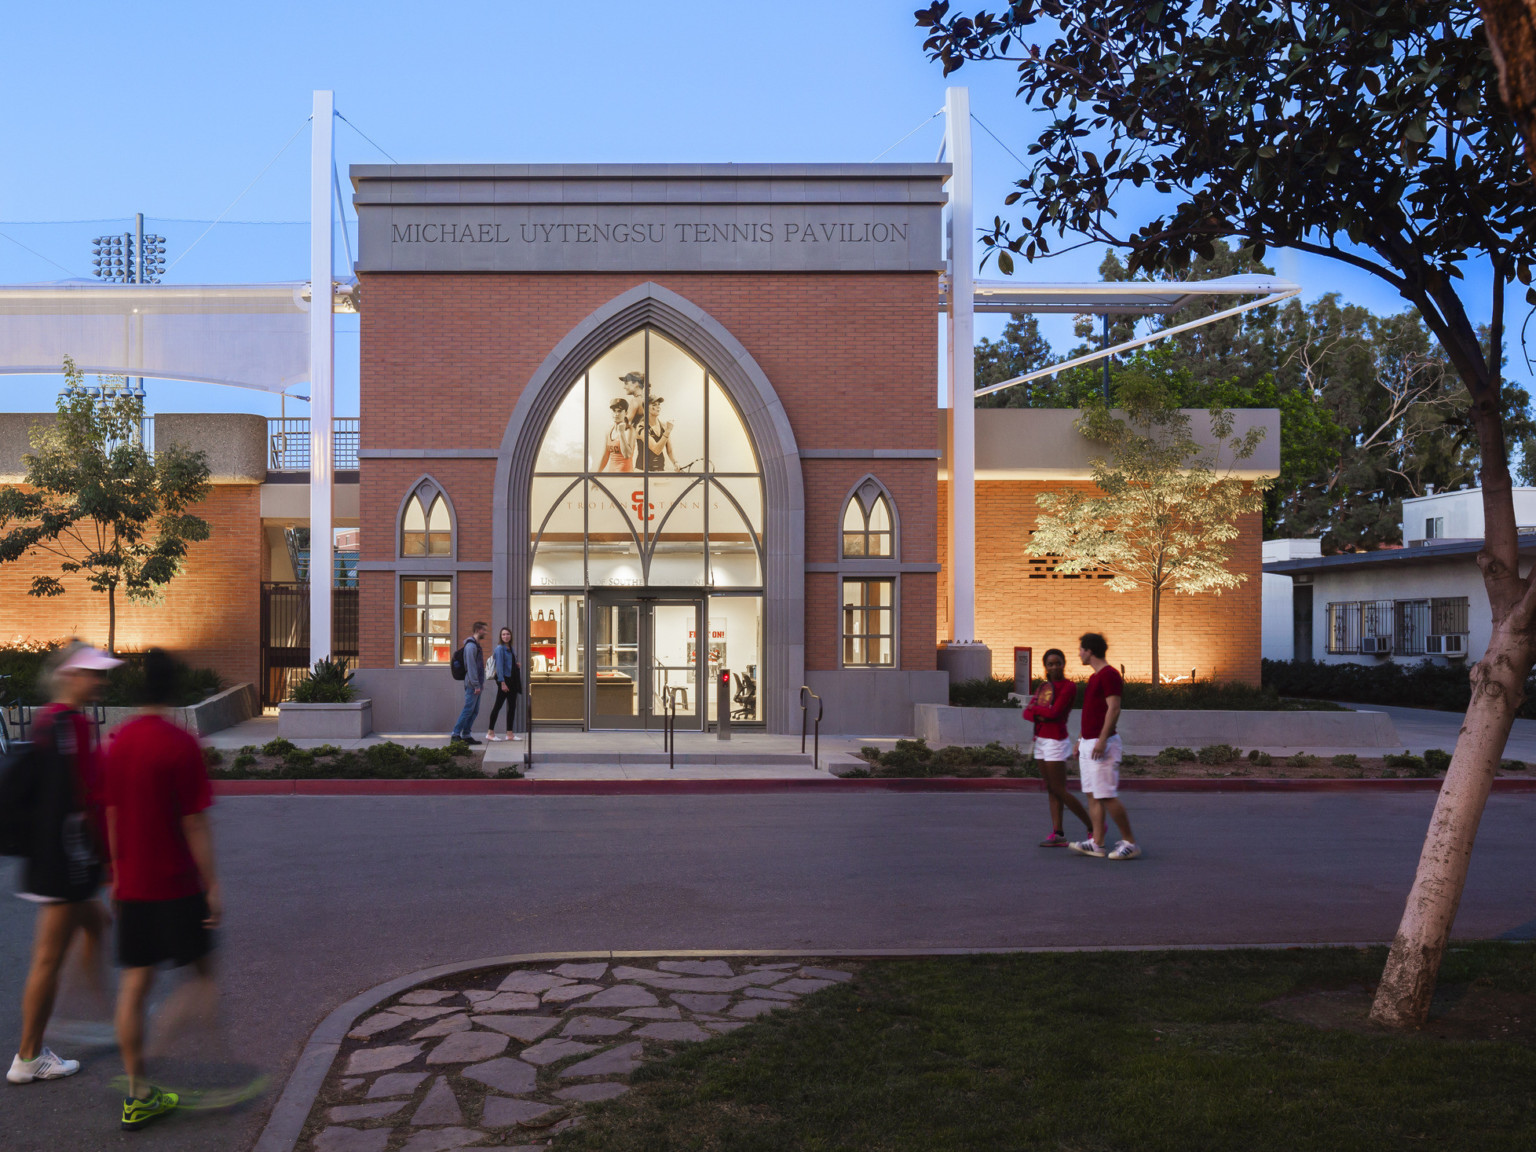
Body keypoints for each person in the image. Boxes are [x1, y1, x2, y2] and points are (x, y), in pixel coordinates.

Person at [103, 647, 219, 1130]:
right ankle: (163, 1050)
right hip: (175, 884)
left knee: (134, 984)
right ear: (175, 691)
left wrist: (116, 875)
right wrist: (212, 885)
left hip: (132, 885)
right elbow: (193, 823)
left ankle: (137, 1088)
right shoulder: (180, 744)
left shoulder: (117, 742)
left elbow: (110, 814)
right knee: (203, 978)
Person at [6, 643, 118, 1086]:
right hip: (63, 861)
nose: (101, 681)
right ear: (72, 676)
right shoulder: (66, 725)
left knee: (96, 924)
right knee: (48, 960)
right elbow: (73, 800)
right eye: (94, 673)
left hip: (62, 858)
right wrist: (93, 859)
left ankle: (97, 1012)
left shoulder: (58, 720)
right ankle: (28, 1056)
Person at [1069, 632, 1141, 860]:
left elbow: (1114, 708)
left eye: (1081, 649)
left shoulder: (1109, 675)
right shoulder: (1094, 678)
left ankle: (1130, 842)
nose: (1079, 653)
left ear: (1089, 651)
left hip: (1104, 743)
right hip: (1090, 742)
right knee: (1092, 794)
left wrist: (1101, 739)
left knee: (1106, 794)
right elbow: (1093, 713)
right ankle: (1097, 843)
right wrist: (1081, 739)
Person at [1021, 648, 1092, 847]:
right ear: (1045, 667)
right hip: (1041, 741)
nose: (1054, 666)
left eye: (1057, 662)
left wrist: (1037, 710)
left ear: (1063, 664)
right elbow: (1026, 714)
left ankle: (1092, 826)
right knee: (1051, 790)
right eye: (1050, 664)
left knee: (1059, 789)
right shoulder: (1044, 687)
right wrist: (1040, 712)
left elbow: (1056, 713)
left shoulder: (1069, 686)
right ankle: (1058, 833)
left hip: (1056, 742)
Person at [450, 622, 489, 745]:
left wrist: (480, 683)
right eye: (484, 630)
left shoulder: (476, 645)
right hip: (472, 684)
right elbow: (471, 667)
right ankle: (455, 734)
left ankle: (466, 734)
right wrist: (476, 685)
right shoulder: (471, 646)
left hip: (476, 683)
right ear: (478, 630)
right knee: (468, 710)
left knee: (474, 711)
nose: (486, 632)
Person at [486, 627, 523, 742]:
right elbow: (500, 667)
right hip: (505, 681)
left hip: (513, 681)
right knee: (497, 706)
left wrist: (516, 665)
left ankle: (509, 734)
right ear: (500, 637)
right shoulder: (499, 649)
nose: (505, 636)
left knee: (512, 707)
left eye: (507, 634)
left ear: (510, 636)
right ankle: (490, 733)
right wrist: (502, 683)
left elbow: (509, 664)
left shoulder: (511, 648)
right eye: (503, 635)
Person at [596, 397, 634, 472]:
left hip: (626, 477)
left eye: (619, 411)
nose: (616, 414)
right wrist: (596, 475)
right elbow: (605, 456)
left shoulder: (629, 430)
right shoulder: (609, 430)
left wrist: (621, 432)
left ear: (626, 413)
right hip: (612, 475)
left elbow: (627, 455)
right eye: (614, 411)